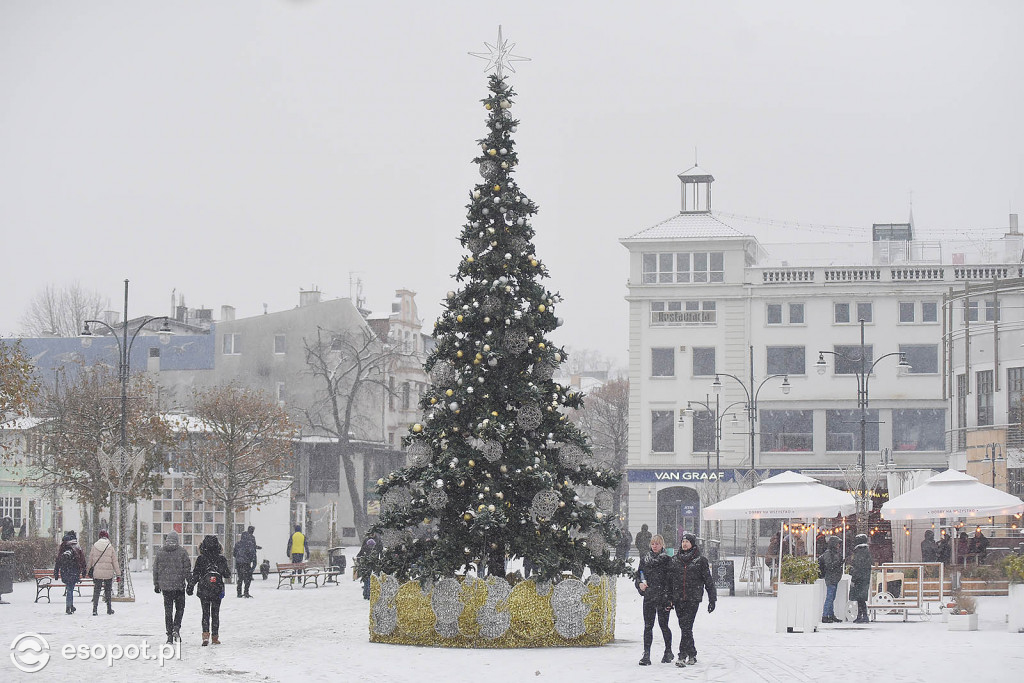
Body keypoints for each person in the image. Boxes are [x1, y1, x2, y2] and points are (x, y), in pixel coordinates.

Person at [667, 533, 716, 668]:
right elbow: (670, 581)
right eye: (683, 541)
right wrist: (669, 598)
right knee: (685, 627)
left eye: (687, 541)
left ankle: (682, 656)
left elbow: (708, 581)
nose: (685, 544)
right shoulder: (675, 560)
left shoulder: (700, 561)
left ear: (693, 544)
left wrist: (712, 599)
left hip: (693, 598)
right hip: (678, 598)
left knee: (686, 626)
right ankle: (692, 653)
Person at [634, 533, 672, 666]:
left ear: (662, 545)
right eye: (653, 544)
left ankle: (668, 650)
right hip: (649, 596)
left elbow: (671, 581)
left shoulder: (667, 560)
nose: (655, 546)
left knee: (663, 625)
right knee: (648, 626)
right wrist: (640, 585)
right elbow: (638, 575)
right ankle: (646, 654)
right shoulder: (645, 559)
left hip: (663, 597)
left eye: (657, 544)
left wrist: (669, 598)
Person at [188, 535, 231, 646]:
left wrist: (191, 586)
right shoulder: (221, 558)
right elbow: (227, 574)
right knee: (215, 613)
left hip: (204, 590)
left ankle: (205, 636)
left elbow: (196, 574)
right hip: (217, 590)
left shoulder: (201, 559)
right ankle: (215, 637)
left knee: (205, 613)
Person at [153, 530, 191, 644]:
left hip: (166, 587)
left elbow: (156, 570)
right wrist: (190, 583)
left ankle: (169, 635)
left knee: (168, 611)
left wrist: (156, 584)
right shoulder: (182, 552)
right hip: (179, 586)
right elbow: (187, 570)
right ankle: (176, 627)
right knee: (180, 609)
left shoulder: (160, 552)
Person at [86, 529, 121, 616]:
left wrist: (88, 570)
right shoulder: (110, 547)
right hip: (108, 573)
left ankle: (95, 609)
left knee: (96, 591)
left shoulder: (95, 546)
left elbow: (90, 559)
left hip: (97, 572)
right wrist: (118, 574)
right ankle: (109, 609)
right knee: (108, 591)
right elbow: (115, 562)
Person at [54, 531, 87, 615]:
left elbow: (58, 560)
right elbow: (82, 559)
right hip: (74, 570)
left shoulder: (63, 546)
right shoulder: (77, 546)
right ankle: (69, 606)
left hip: (65, 570)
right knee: (70, 588)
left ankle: (70, 605)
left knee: (69, 588)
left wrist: (56, 572)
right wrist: (83, 571)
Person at [818, 535, 844, 623]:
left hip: (834, 577)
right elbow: (829, 565)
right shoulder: (828, 553)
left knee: (832, 597)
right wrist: (838, 563)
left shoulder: (834, 552)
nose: (838, 545)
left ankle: (830, 614)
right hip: (831, 577)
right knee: (830, 597)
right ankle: (825, 615)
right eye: (837, 544)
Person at [849, 533, 872, 623]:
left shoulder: (859, 552)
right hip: (864, 578)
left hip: (859, 579)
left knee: (860, 598)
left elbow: (857, 567)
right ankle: (862, 615)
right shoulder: (866, 551)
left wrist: (853, 577)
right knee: (861, 598)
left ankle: (863, 616)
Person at [233, 526, 259, 598]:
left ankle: (239, 593)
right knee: (248, 578)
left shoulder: (237, 544)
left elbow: (234, 554)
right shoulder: (250, 543)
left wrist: (239, 558)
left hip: (239, 563)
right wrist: (253, 563)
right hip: (246, 563)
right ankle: (246, 592)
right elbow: (252, 553)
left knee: (240, 578)